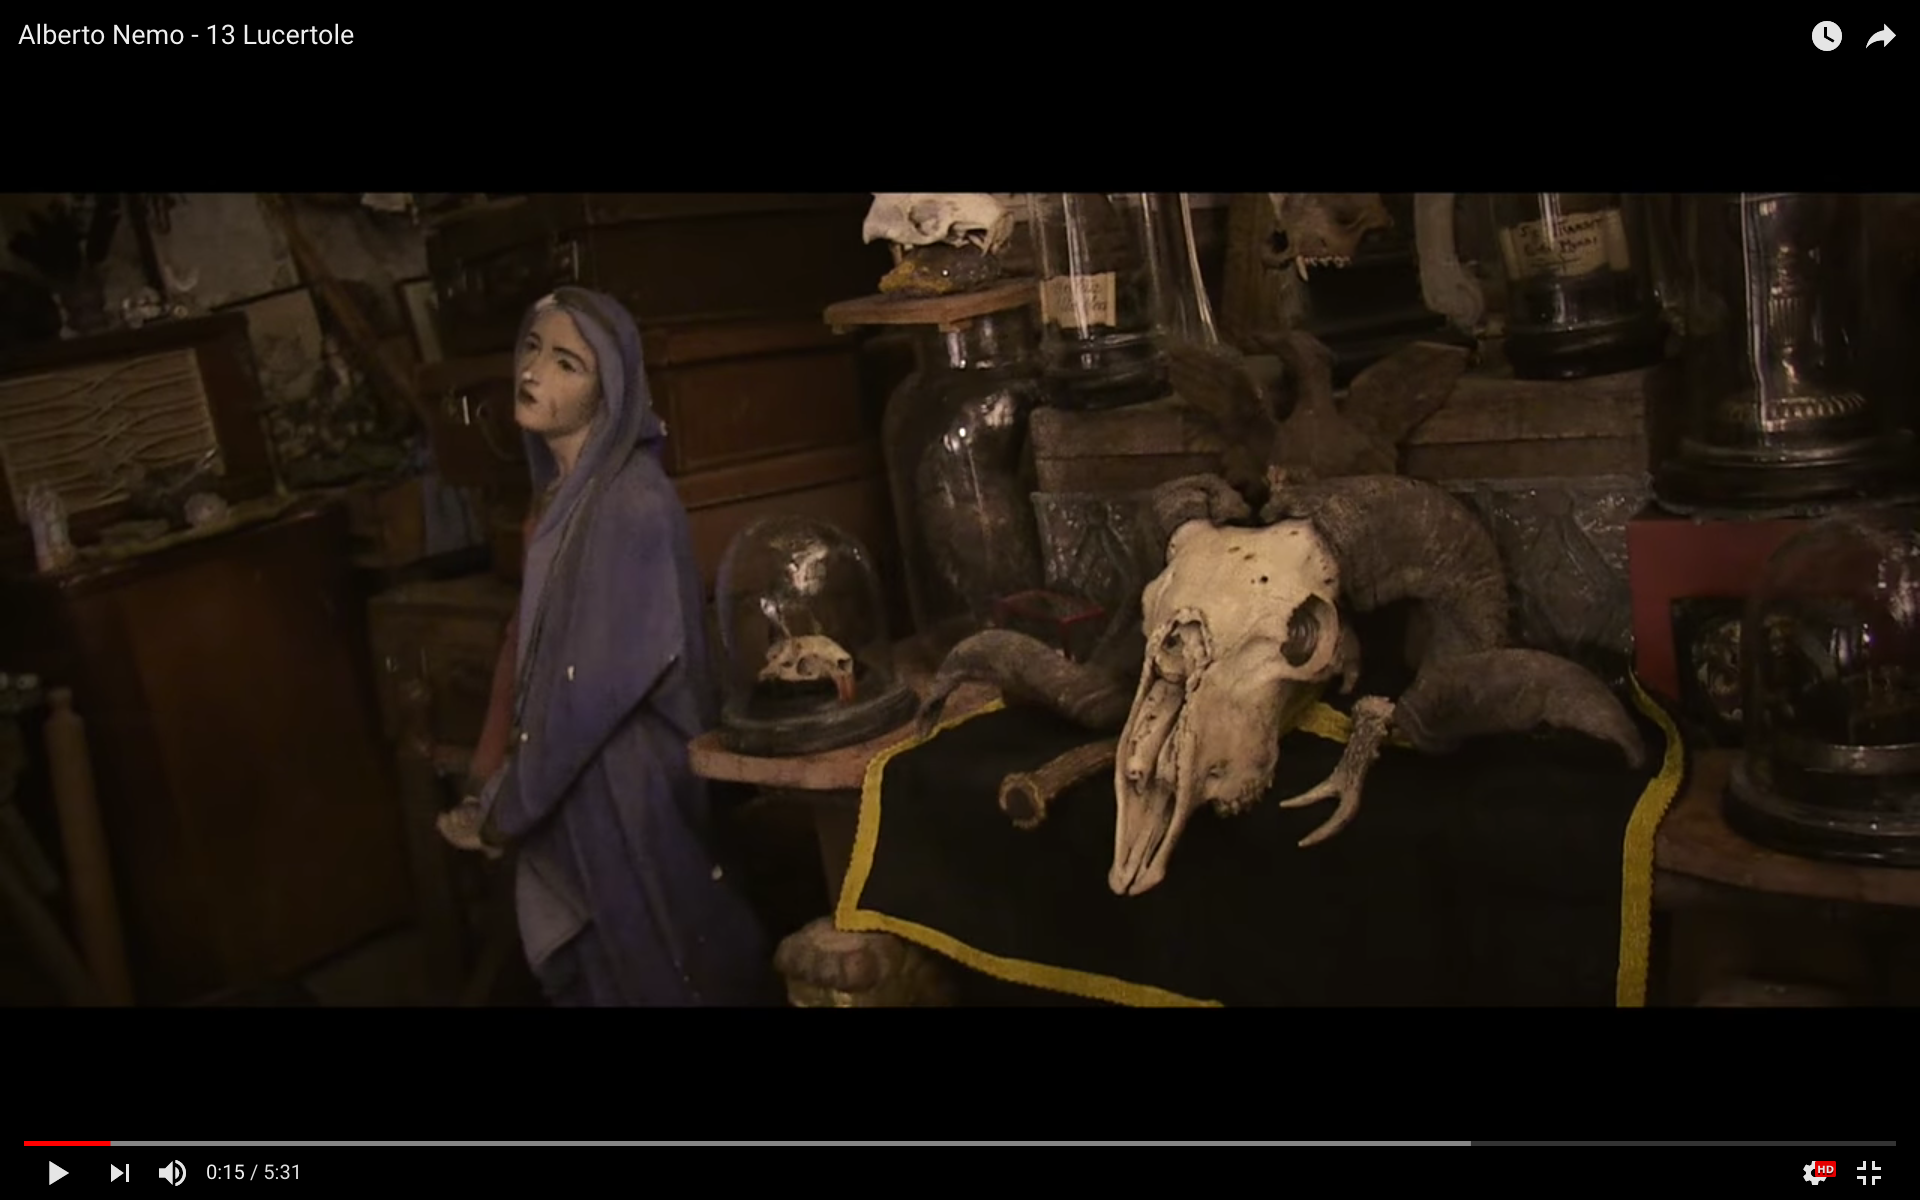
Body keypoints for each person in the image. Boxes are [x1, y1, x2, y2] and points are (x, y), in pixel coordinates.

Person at [436, 286, 775, 1006]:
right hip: (576, 781)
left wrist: (512, 804)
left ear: (609, 390)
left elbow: (590, 690)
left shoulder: (633, 504)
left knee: (655, 963)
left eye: (568, 363)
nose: (535, 372)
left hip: (625, 781)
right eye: (532, 349)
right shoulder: (560, 497)